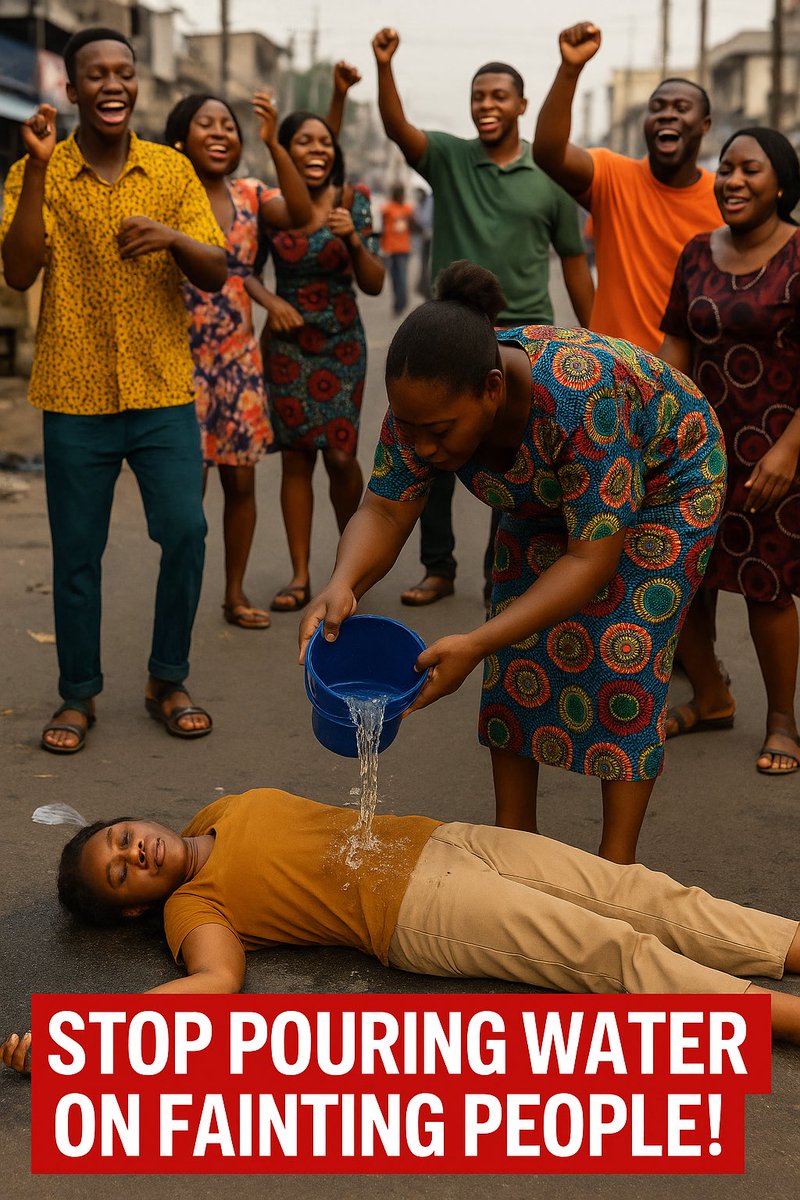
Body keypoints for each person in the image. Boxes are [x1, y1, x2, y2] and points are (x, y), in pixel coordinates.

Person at [300, 263, 726, 865]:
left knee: (624, 649)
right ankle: (514, 842)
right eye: (411, 429)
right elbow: (387, 509)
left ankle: (616, 867)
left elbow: (589, 558)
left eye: (439, 432)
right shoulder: (422, 408)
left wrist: (473, 641)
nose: (422, 447)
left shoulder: (585, 398)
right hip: (545, 491)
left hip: (666, 477)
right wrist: (342, 584)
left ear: (493, 390)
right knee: (517, 651)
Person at [3, 784, 800, 1078]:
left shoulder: (217, 812)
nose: (135, 853)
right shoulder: (193, 908)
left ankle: (788, 944)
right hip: (422, 912)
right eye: (123, 873)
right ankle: (787, 1020)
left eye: (121, 839)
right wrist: (83, 1036)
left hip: (445, 838)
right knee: (613, 954)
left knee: (638, 892)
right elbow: (216, 986)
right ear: (140, 905)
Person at [0, 27, 227, 752]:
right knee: (76, 554)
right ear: (71, 90)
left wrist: (172, 236)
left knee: (186, 533)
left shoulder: (170, 170)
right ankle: (78, 696)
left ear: (135, 86)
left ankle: (167, 677)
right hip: (73, 392)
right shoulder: (38, 171)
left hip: (162, 389)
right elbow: (18, 271)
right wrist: (34, 172)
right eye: (94, 74)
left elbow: (218, 270)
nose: (112, 84)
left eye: (123, 72)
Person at [372, 27, 594, 608]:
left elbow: (574, 261)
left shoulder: (549, 177)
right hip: (455, 331)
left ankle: (503, 576)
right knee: (435, 451)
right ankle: (438, 567)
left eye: (498, 96)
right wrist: (385, 65)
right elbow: (398, 129)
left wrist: (593, 336)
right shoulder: (448, 158)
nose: (486, 106)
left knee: (516, 460)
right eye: (478, 96)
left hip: (527, 337)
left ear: (522, 105)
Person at [659, 128, 800, 776]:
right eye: (726, 169)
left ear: (781, 184)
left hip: (779, 451)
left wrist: (789, 451)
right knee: (682, 574)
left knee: (766, 589)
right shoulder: (696, 252)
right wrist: (658, 433)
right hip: (700, 449)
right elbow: (678, 348)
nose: (732, 180)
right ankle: (711, 694)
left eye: (750, 169)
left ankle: (781, 720)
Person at [165, 91, 311, 631]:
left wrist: (275, 142)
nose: (221, 132)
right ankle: (176, 600)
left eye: (228, 124)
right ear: (181, 138)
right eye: (207, 124)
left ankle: (233, 594)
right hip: (175, 362)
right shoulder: (165, 193)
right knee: (186, 497)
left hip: (237, 363)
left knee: (241, 485)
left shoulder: (250, 193)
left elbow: (298, 215)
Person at [256, 107, 384, 614]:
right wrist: (270, 302)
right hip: (287, 344)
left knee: (339, 455)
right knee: (296, 457)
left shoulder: (356, 201)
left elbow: (374, 281)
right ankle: (300, 575)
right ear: (285, 151)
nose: (317, 150)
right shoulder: (269, 207)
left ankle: (349, 572)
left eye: (324, 142)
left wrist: (352, 237)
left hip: (342, 341)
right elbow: (244, 270)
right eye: (303, 142)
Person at [533, 21, 721, 354]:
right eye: (657, 108)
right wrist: (570, 70)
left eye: (681, 109)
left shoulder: (724, 198)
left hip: (691, 381)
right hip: (617, 371)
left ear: (705, 126)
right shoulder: (612, 175)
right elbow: (549, 152)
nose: (667, 115)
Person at [380, 183, 414, 316]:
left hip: (401, 248)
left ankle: (401, 303)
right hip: (392, 248)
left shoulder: (405, 209)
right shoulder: (389, 209)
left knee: (400, 277)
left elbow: (412, 226)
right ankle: (399, 303)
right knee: (395, 277)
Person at [412, 186, 433, 299]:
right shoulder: (421, 203)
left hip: (430, 237)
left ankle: (428, 290)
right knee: (424, 264)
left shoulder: (430, 200)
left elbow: (424, 219)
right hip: (425, 237)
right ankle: (425, 289)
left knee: (427, 264)